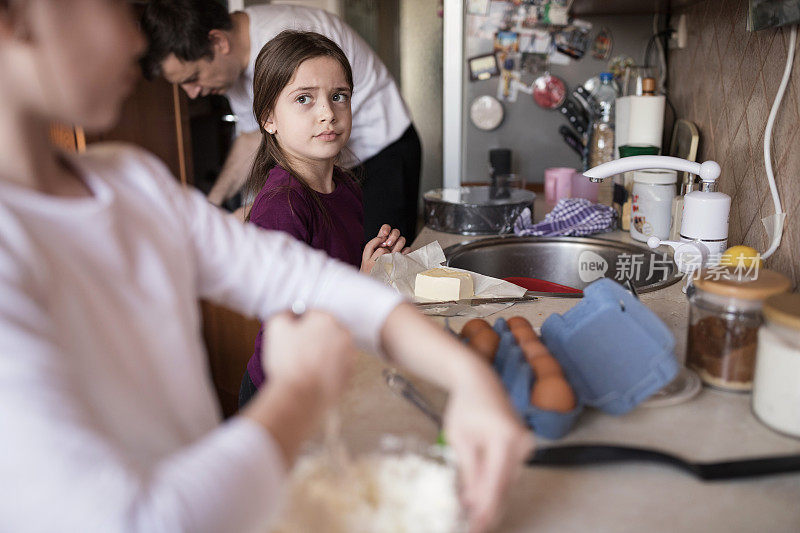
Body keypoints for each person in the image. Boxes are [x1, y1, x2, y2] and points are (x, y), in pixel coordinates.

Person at [0, 1, 533, 532]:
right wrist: (299, 393)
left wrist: (469, 380)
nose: (138, 42)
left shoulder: (131, 180)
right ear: (14, 15)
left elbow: (304, 276)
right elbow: (132, 520)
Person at [141, 0, 422, 242]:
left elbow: (320, 130)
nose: (192, 93)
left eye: (193, 78)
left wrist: (257, 208)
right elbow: (252, 137)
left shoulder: (291, 38)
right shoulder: (233, 71)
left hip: (383, 149)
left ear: (218, 42)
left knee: (385, 263)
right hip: (327, 167)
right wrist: (213, 208)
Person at [237, 30, 411, 407]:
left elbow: (335, 278)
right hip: (284, 392)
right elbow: (293, 324)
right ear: (269, 119)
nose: (328, 113)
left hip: (328, 368)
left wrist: (373, 264)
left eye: (339, 96)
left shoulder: (345, 187)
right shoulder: (281, 207)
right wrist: (364, 282)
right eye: (304, 99)